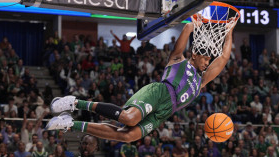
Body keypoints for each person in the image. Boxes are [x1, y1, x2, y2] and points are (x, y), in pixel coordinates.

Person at [46, 20, 236, 143]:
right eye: (205, 58)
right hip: (159, 92)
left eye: (208, 61)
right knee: (129, 118)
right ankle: (74, 102)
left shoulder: (201, 80)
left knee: (128, 136)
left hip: (166, 111)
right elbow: (187, 28)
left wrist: (229, 32)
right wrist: (195, 21)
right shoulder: (179, 60)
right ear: (194, 54)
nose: (207, 62)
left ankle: (70, 123)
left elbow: (223, 59)